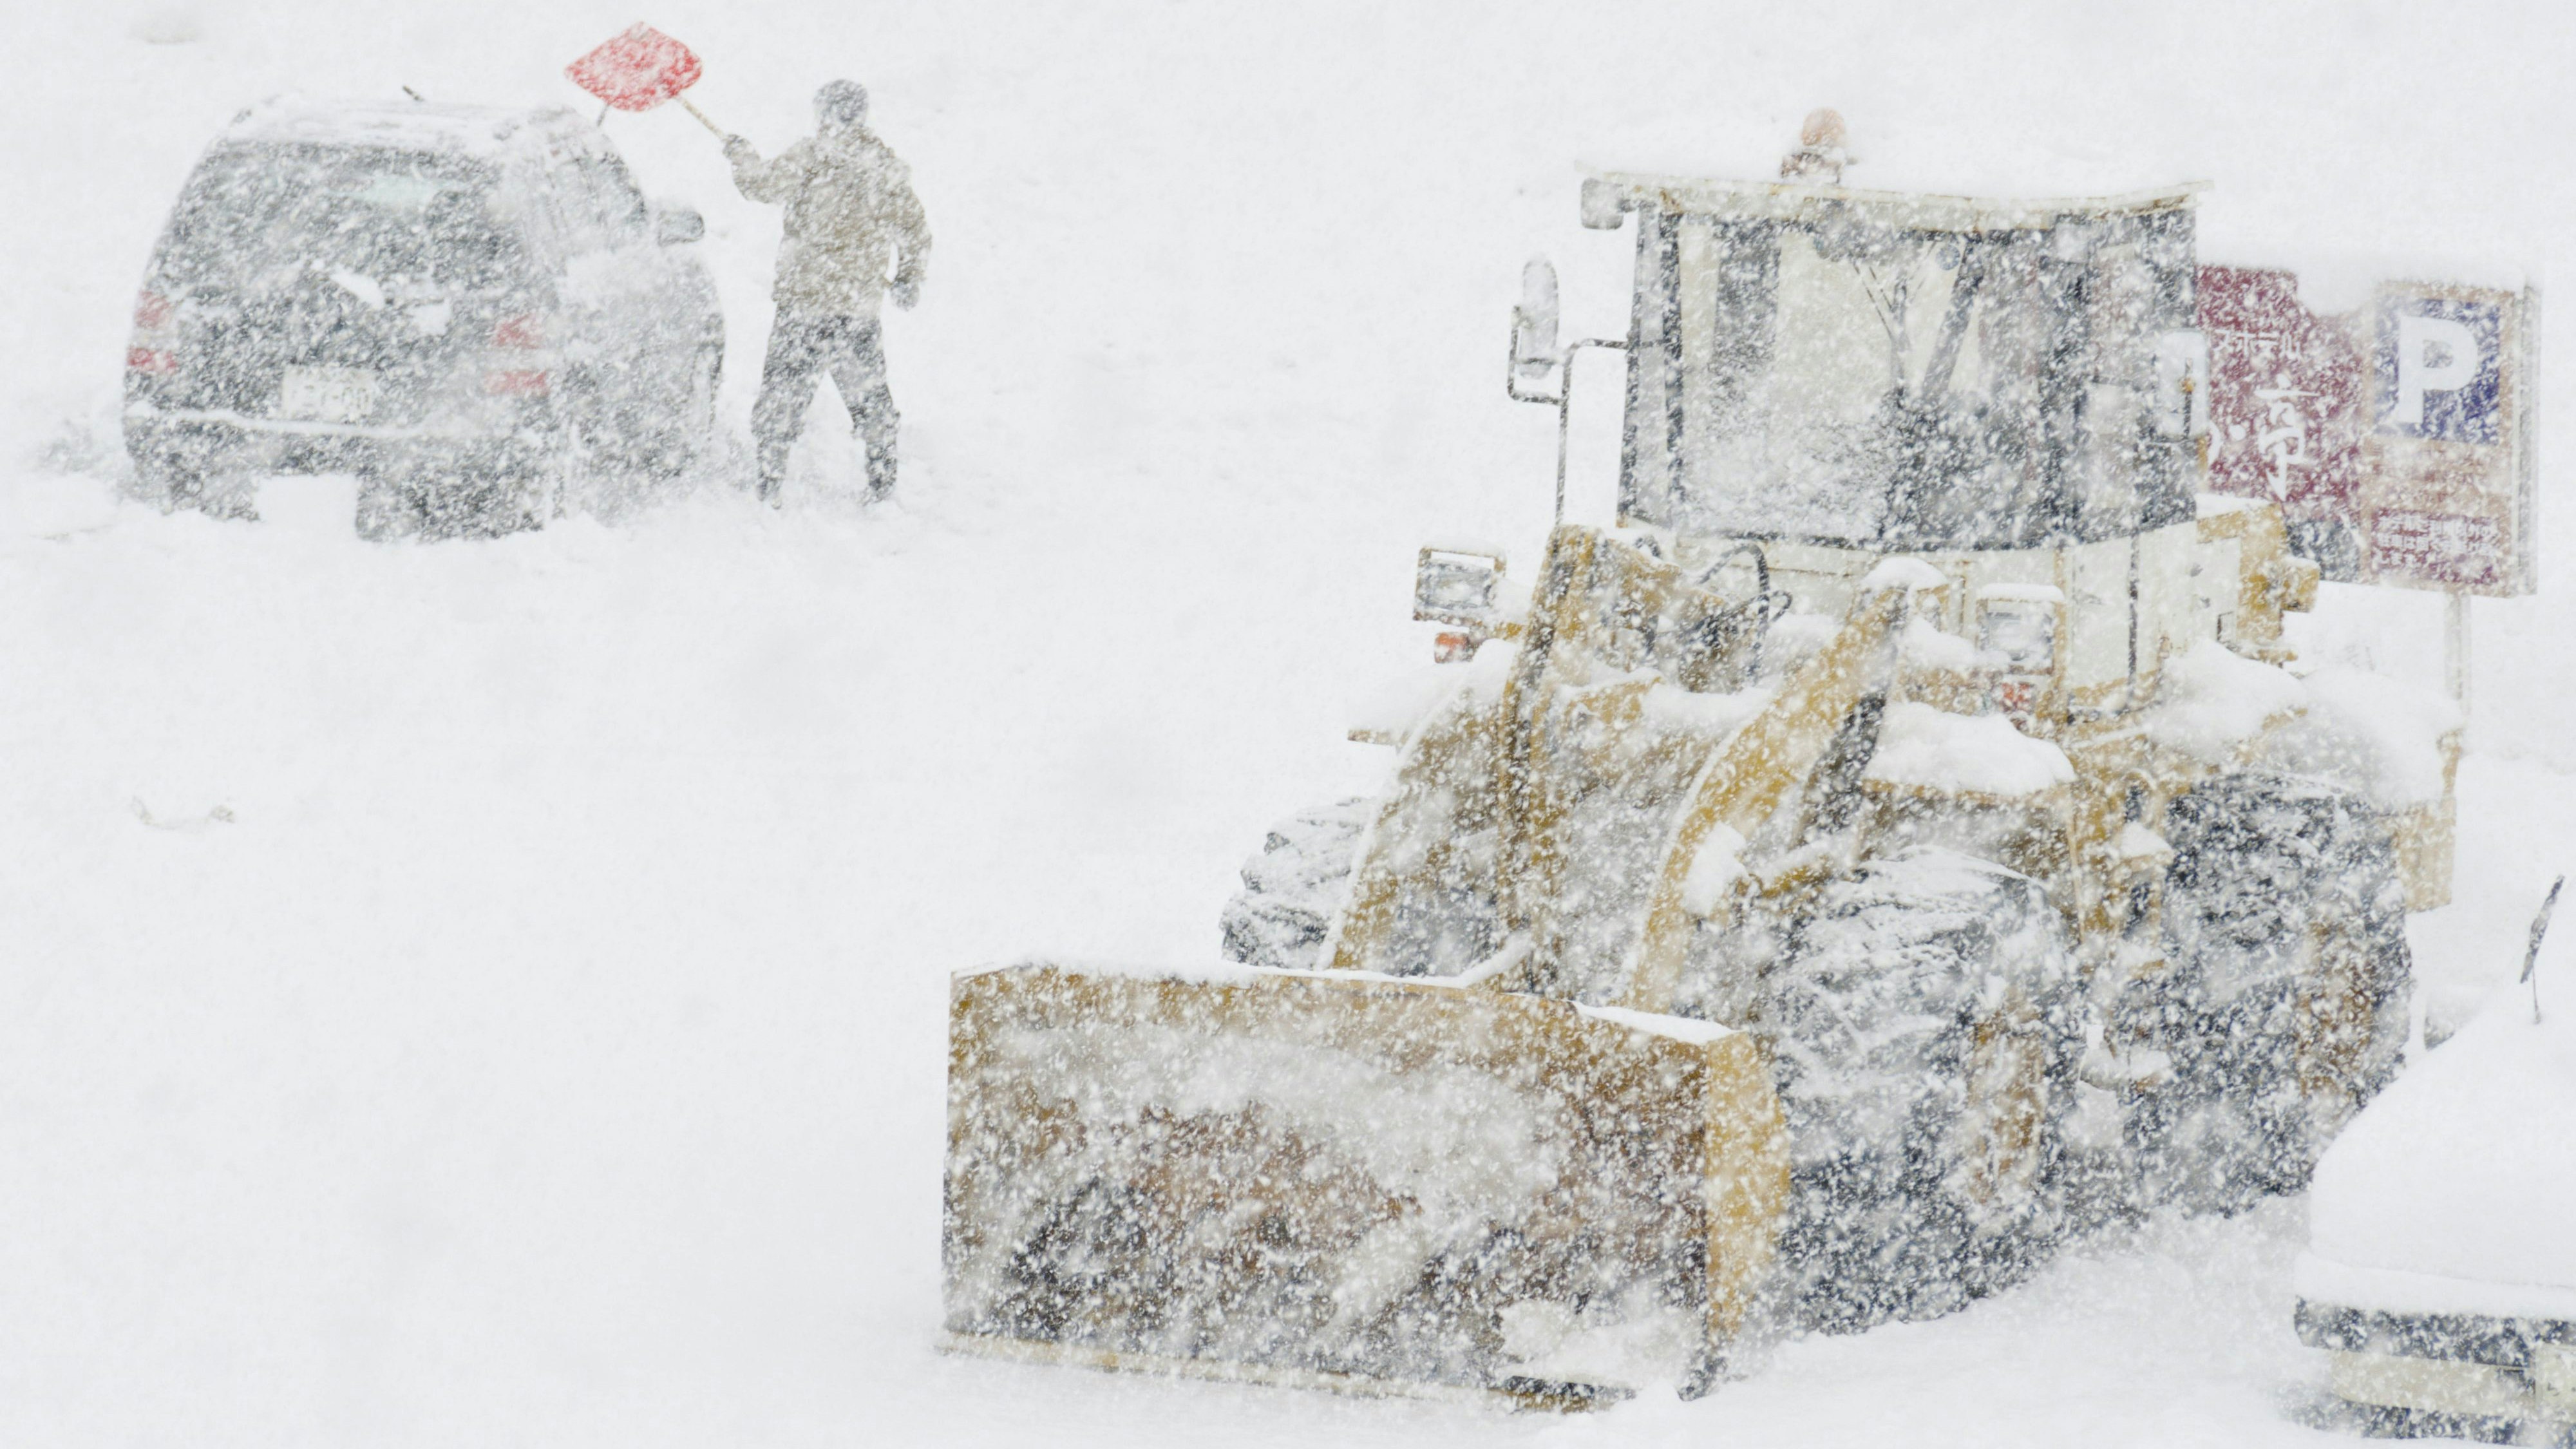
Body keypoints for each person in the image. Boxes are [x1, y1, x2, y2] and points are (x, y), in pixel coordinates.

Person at [723, 80, 929, 504]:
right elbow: (915, 232)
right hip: (856, 307)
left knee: (783, 393)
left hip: (805, 303)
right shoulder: (883, 167)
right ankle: (882, 479)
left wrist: (741, 156)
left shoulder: (810, 155)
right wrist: (908, 277)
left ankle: (769, 480)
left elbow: (761, 186)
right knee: (869, 395)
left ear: (824, 113)